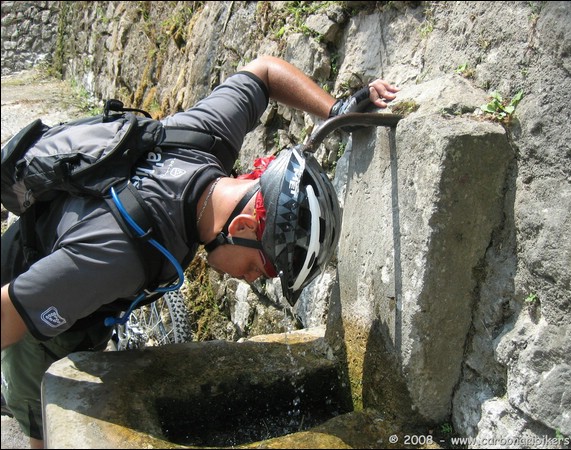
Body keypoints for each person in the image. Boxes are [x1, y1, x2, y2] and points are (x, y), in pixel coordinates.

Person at [1, 55, 397, 448]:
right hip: (38, 308)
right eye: (266, 268)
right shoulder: (116, 256)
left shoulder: (205, 139)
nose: (257, 279)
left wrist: (337, 110)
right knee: (44, 421)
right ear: (242, 227)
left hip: (75, 257)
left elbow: (264, 71)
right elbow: (9, 313)